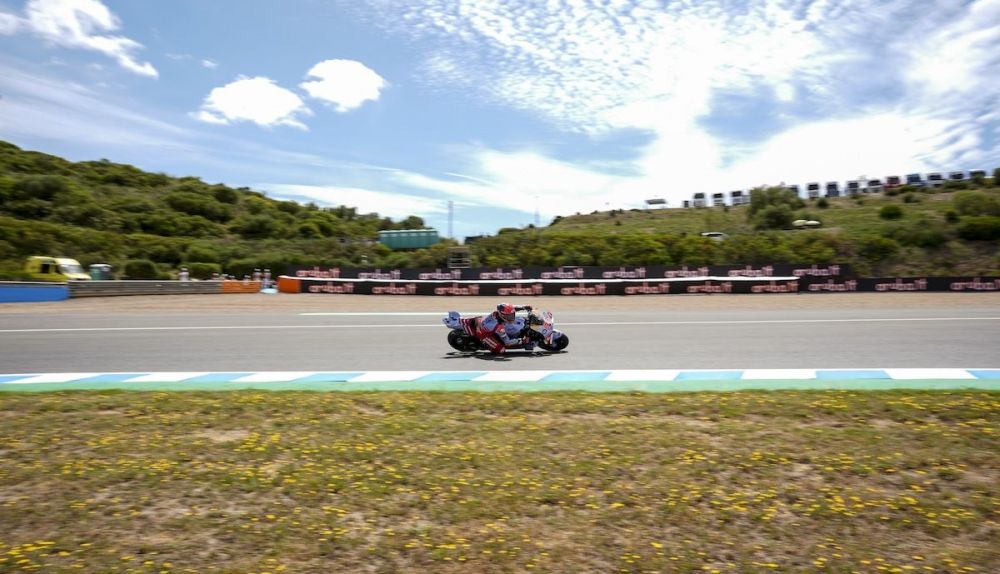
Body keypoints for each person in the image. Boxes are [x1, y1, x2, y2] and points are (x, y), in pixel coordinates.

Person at [461, 303, 533, 355]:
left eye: (512, 315)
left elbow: (512, 309)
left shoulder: (499, 313)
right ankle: (486, 344)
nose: (511, 317)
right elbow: (507, 342)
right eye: (509, 316)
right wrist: (521, 341)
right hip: (483, 333)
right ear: (502, 315)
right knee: (501, 350)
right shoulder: (498, 326)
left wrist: (523, 307)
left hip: (483, 322)